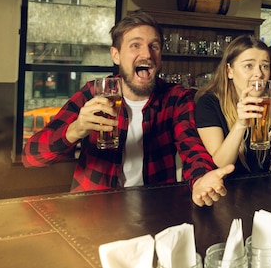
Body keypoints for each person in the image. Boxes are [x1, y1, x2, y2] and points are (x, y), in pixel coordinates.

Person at [22, 11, 232, 207]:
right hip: (94, 209)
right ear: (116, 55)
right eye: (135, 45)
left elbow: (192, 147)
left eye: (154, 46)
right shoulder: (93, 93)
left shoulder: (175, 97)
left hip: (155, 208)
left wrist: (201, 177)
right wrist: (75, 130)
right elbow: (31, 157)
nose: (147, 54)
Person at [195, 34, 271, 175]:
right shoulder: (209, 103)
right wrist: (241, 124)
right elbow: (222, 164)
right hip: (223, 189)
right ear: (229, 71)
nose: (259, 74)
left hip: (261, 188)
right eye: (249, 66)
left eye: (265, 66)